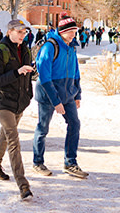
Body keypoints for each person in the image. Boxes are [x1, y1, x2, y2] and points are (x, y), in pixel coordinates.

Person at [32, 15, 89, 179]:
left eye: (75, 31)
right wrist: (55, 101)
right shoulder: (50, 47)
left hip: (68, 94)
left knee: (74, 124)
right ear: (62, 31)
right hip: (48, 95)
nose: (73, 34)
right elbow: (44, 76)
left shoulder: (72, 47)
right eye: (70, 31)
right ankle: (37, 162)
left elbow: (75, 71)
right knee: (43, 128)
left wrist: (78, 93)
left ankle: (70, 163)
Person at [0, 19, 34, 201]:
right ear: (9, 32)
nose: (22, 35)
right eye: (19, 32)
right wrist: (17, 72)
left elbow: (25, 77)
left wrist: (30, 75)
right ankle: (23, 186)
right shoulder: (0, 52)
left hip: (19, 102)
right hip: (3, 102)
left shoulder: (25, 50)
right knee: (14, 141)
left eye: (24, 33)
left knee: (5, 135)